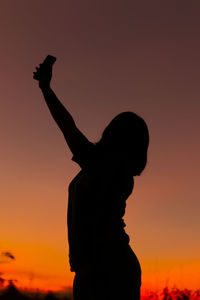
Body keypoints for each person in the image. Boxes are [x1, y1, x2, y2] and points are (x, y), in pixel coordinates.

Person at [33, 58, 149, 300]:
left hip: (110, 271)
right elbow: (72, 132)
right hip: (90, 270)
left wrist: (46, 89)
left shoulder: (117, 174)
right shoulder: (96, 167)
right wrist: (46, 89)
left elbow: (69, 129)